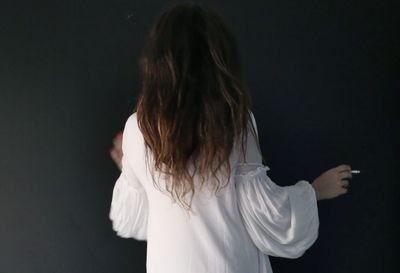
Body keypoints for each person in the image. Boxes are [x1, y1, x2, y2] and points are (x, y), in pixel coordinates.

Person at [108, 3, 353, 273]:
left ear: (156, 61)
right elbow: (265, 216)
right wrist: (316, 189)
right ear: (218, 57)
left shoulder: (137, 128)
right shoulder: (234, 122)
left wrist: (132, 165)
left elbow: (134, 214)